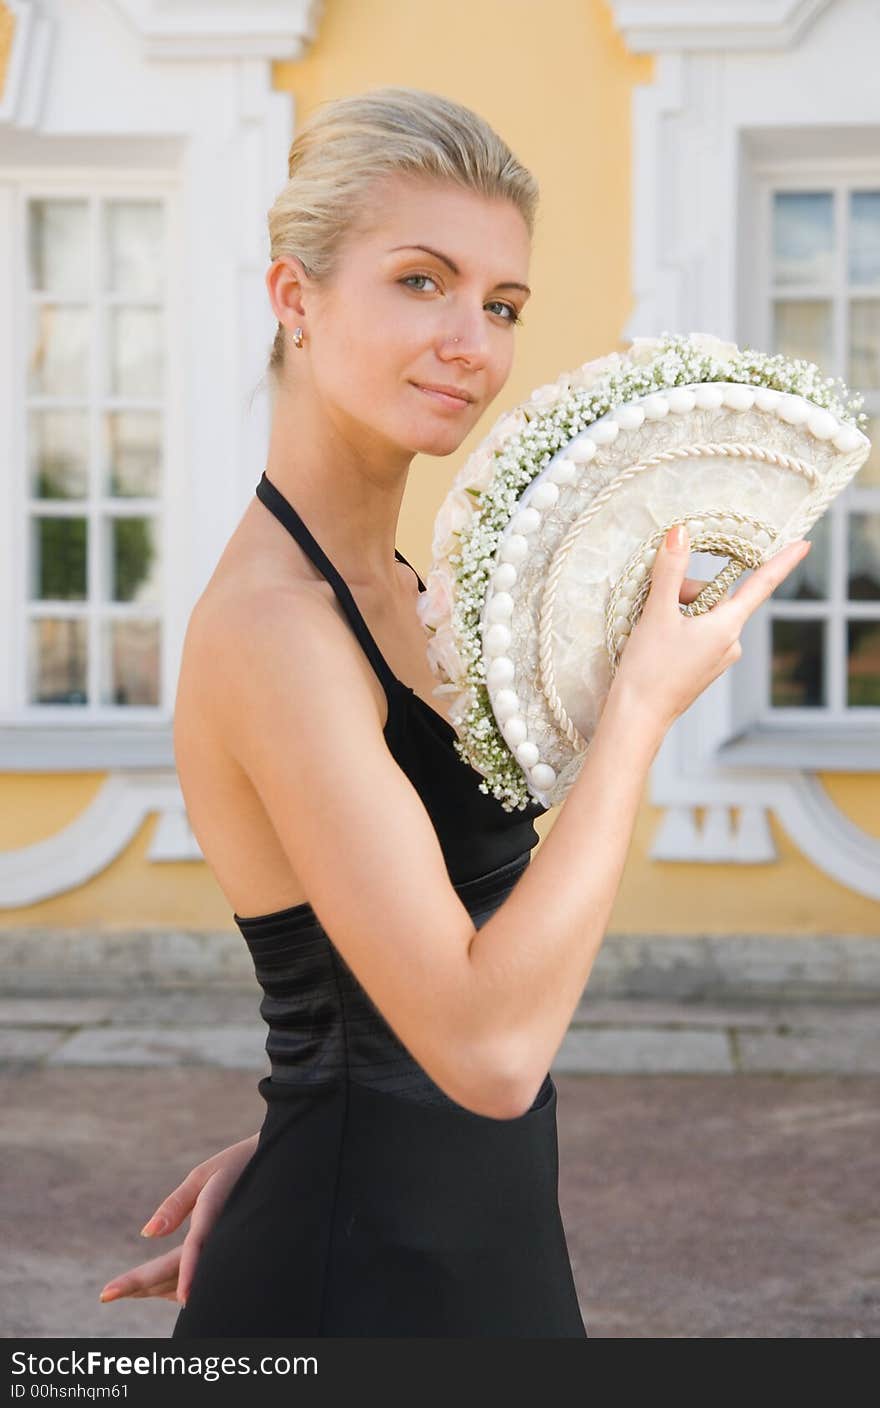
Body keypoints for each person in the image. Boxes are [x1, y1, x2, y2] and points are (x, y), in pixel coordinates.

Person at [97, 85, 811, 1337]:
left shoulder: (411, 595)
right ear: (294, 299)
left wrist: (307, 1118)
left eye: (501, 304)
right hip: (362, 1284)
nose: (472, 342)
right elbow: (485, 1052)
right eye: (420, 281)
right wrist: (641, 708)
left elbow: (377, 988)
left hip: (459, 1238)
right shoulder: (277, 630)